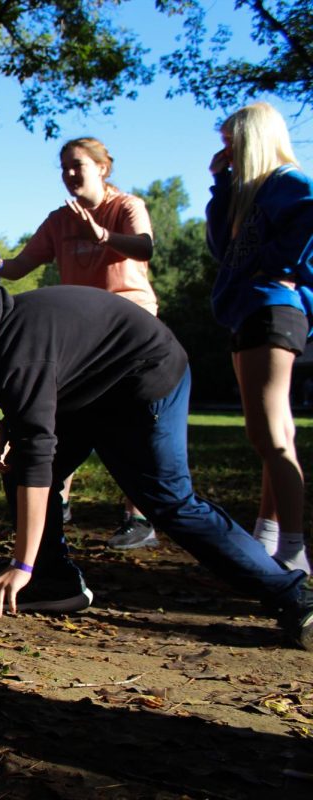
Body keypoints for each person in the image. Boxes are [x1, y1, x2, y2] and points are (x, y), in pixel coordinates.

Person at [0, 284, 313, 649]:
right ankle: (55, 582)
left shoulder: (14, 357)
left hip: (145, 375)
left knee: (169, 502)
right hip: (93, 387)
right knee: (17, 465)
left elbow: (40, 452)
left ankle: (292, 595)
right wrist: (10, 425)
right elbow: (44, 381)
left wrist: (19, 564)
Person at [0, 136, 159, 550]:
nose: (69, 175)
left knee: (133, 423)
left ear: (102, 167)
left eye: (77, 165)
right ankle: (55, 506)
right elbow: (19, 266)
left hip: (127, 329)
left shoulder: (125, 207)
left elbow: (145, 247)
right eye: (64, 167)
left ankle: (138, 517)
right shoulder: (58, 219)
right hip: (78, 335)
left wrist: (102, 234)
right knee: (55, 417)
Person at [206, 101, 313, 575]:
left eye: (232, 142)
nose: (227, 150)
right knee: (277, 431)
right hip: (247, 310)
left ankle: (293, 549)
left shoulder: (290, 183)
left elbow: (308, 220)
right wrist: (222, 186)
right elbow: (220, 250)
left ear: (254, 138)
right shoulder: (249, 194)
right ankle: (268, 537)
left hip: (273, 308)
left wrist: (276, 264)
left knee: (268, 432)